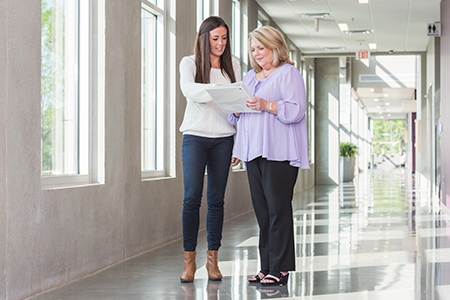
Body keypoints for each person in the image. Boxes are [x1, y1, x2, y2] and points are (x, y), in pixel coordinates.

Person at [229, 26, 310, 286]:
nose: (257, 54)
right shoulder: (251, 78)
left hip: (279, 153)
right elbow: (238, 115)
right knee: (263, 212)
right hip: (254, 152)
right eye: (253, 50)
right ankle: (266, 266)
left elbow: (296, 110)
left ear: (275, 47)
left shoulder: (289, 74)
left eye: (261, 48)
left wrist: (268, 105)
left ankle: (281, 267)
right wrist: (238, 113)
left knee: (278, 210)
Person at [179, 16, 241, 283]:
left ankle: (212, 261)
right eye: (215, 38)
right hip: (195, 137)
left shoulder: (233, 65)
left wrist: (239, 143)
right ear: (204, 38)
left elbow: (239, 103)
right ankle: (189, 262)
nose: (221, 43)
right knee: (192, 198)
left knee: (216, 201)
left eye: (224, 38)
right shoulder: (189, 63)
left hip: (224, 139)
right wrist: (219, 90)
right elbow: (189, 90)